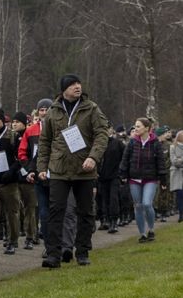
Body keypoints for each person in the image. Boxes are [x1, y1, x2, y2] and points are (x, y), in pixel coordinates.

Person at [36, 74, 109, 268]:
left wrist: (93, 157)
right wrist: (42, 167)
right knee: (55, 212)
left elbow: (102, 134)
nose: (77, 87)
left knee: (85, 212)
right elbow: (44, 142)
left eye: (78, 83)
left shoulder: (91, 108)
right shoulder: (53, 111)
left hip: (84, 169)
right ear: (63, 90)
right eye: (72, 84)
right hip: (59, 169)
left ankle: (83, 251)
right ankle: (53, 254)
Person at [118, 117, 168, 243]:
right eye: (135, 126)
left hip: (150, 178)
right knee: (138, 206)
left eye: (138, 126)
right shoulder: (132, 142)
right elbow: (125, 159)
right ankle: (142, 234)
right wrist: (122, 174)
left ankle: (151, 229)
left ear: (147, 128)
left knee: (147, 203)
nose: (136, 129)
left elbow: (161, 162)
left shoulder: (155, 142)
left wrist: (163, 179)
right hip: (134, 178)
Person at [18, 99, 52, 246]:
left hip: (58, 175)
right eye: (41, 110)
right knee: (42, 210)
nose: (44, 113)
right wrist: (29, 169)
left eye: (47, 109)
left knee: (57, 210)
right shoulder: (30, 131)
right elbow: (22, 152)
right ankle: (47, 242)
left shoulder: (59, 129)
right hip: (38, 174)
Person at [0, 108, 22, 255]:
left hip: (9, 181)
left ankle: (12, 240)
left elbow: (21, 157)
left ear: (3, 120)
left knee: (11, 212)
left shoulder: (12, 136)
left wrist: (12, 171)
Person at [10, 112, 37, 250]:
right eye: (13, 121)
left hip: (28, 177)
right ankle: (17, 235)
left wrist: (27, 169)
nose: (14, 124)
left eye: (17, 121)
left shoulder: (29, 136)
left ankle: (30, 237)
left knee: (29, 209)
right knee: (17, 208)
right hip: (17, 178)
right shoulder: (15, 137)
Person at [96, 127, 125, 234]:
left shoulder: (117, 143)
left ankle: (114, 221)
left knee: (113, 198)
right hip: (101, 176)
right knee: (103, 199)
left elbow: (125, 157)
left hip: (114, 175)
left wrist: (122, 171)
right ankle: (105, 219)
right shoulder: (98, 143)